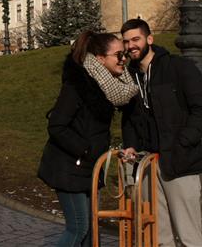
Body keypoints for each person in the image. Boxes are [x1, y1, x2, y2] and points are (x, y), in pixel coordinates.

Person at [38, 31, 137, 247]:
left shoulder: (108, 88)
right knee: (79, 227)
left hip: (91, 167)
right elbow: (57, 126)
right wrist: (85, 150)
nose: (123, 59)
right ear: (100, 59)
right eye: (118, 55)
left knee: (92, 231)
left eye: (124, 55)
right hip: (69, 166)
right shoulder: (78, 86)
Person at [119, 18, 202, 247]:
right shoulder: (130, 76)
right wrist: (131, 145)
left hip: (180, 162)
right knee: (159, 238)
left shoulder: (178, 67)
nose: (131, 46)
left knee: (189, 236)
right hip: (147, 163)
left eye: (136, 39)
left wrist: (184, 142)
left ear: (149, 39)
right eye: (126, 42)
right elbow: (129, 118)